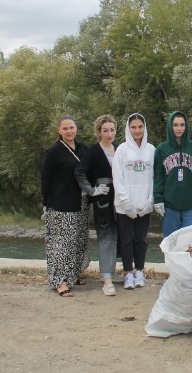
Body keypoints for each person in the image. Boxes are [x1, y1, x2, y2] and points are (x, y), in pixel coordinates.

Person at [40, 115, 90, 297]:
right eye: (65, 128)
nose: (69, 131)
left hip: (81, 201)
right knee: (62, 244)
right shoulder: (54, 152)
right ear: (59, 131)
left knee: (79, 240)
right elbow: (45, 180)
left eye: (72, 127)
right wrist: (46, 204)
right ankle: (59, 281)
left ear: (76, 128)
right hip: (60, 203)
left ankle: (73, 274)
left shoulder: (83, 149)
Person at [75, 115, 120, 296]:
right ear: (99, 132)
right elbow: (79, 172)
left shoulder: (120, 149)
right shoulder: (93, 151)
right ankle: (107, 278)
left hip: (121, 199)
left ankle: (116, 272)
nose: (109, 133)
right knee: (106, 237)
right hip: (103, 200)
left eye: (112, 130)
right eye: (105, 130)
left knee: (120, 235)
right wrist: (92, 190)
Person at [112, 113, 155, 290]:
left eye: (140, 127)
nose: (137, 130)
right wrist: (125, 202)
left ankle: (140, 271)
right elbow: (118, 177)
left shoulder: (152, 150)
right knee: (127, 240)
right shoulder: (122, 150)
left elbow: (155, 177)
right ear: (128, 129)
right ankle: (128, 272)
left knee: (141, 239)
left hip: (144, 204)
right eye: (133, 127)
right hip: (125, 206)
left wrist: (150, 200)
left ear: (144, 128)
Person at [153, 111, 192, 238]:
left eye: (182, 125)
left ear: (186, 126)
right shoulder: (162, 149)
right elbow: (158, 176)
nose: (179, 128)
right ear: (170, 126)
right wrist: (158, 198)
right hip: (169, 205)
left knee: (190, 243)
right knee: (171, 243)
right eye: (175, 125)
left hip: (191, 204)